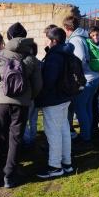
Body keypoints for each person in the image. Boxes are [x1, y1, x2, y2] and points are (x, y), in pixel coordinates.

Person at [0, 22, 42, 187]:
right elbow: (38, 85)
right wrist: (29, 97)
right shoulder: (31, 59)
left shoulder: (0, 56)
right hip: (22, 103)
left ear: (8, 37)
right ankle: (10, 175)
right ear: (24, 37)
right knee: (15, 138)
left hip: (1, 102)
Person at [36, 27, 75, 179]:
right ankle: (67, 163)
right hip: (65, 97)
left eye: (47, 38)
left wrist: (41, 95)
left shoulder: (54, 56)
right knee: (64, 130)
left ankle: (55, 167)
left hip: (54, 99)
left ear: (53, 40)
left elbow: (49, 81)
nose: (45, 41)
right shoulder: (66, 52)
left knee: (53, 134)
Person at [63, 12, 99, 147]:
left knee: (80, 109)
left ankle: (85, 137)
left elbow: (79, 60)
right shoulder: (84, 36)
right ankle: (89, 133)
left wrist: (74, 77)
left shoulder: (75, 39)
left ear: (67, 29)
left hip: (86, 79)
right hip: (94, 76)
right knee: (87, 106)